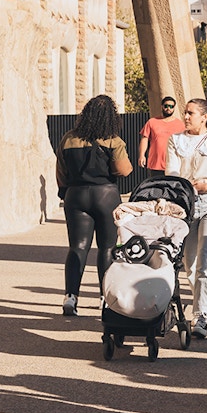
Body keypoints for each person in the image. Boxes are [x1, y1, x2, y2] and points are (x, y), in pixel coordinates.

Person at [55, 94, 133, 316]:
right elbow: (124, 170)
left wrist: (66, 191)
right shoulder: (113, 140)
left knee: (77, 247)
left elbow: (60, 171)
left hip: (76, 195)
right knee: (107, 247)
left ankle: (70, 297)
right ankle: (104, 298)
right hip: (105, 194)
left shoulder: (68, 138)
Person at [165, 98, 207, 340]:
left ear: (205, 117)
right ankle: (202, 298)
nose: (186, 117)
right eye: (185, 112)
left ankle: (201, 315)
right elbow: (171, 172)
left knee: (206, 263)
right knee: (189, 264)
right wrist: (184, 186)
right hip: (185, 205)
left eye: (191, 113)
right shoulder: (176, 140)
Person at [138, 96, 184, 179]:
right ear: (162, 106)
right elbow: (144, 139)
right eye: (166, 106)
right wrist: (142, 155)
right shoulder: (152, 122)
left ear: (174, 108)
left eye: (171, 106)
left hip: (174, 164)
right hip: (155, 164)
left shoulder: (180, 125)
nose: (168, 108)